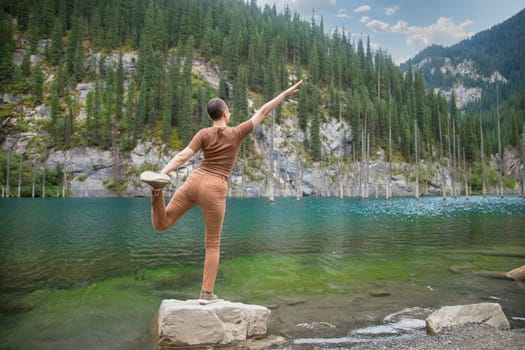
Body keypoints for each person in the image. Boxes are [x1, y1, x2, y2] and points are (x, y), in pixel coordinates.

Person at [140, 80, 303, 303]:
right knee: (212, 243)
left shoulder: (203, 134)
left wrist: (163, 172)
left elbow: (183, 156)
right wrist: (284, 93)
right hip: (215, 187)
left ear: (211, 116)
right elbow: (264, 110)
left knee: (162, 224)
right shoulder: (237, 132)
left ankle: (157, 192)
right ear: (225, 114)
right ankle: (206, 293)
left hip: (194, 181)